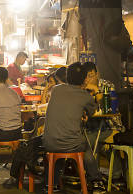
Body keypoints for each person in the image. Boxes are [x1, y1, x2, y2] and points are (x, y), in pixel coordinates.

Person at [43, 62, 105, 192]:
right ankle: (96, 181)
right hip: (71, 144)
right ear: (84, 79)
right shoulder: (85, 96)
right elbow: (93, 111)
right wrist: (97, 91)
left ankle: (52, 184)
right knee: (85, 144)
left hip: (49, 143)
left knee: (59, 142)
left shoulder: (56, 90)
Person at [82, 62, 124, 185]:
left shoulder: (107, 85)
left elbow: (108, 109)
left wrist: (96, 91)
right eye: (86, 76)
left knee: (106, 143)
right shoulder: (82, 88)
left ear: (97, 74)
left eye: (91, 75)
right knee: (86, 142)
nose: (88, 79)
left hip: (111, 126)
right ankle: (93, 177)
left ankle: (116, 176)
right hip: (91, 128)